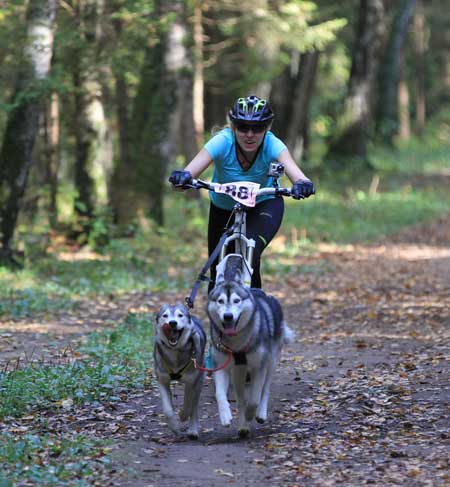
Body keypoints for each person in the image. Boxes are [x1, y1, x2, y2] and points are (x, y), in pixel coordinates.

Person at [169, 94, 315, 289]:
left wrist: (302, 184)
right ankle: (217, 316)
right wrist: (182, 178)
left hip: (264, 204)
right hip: (223, 207)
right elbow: (187, 174)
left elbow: (298, 175)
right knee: (217, 268)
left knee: (250, 253)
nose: (249, 134)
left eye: (257, 128)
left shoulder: (273, 145)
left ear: (267, 128)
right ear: (233, 127)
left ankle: (255, 306)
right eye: (242, 127)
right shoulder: (222, 141)